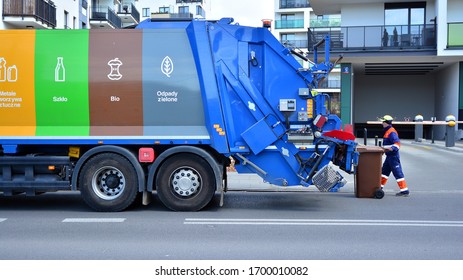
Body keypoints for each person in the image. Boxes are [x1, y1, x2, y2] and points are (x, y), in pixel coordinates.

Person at [379, 115, 410, 197]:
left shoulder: (391, 132)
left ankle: (404, 190)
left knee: (397, 173)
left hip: (393, 156)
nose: (382, 123)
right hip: (389, 156)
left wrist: (390, 149)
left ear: (386, 123)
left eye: (383, 122)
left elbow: (397, 144)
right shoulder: (388, 131)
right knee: (384, 172)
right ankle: (379, 187)